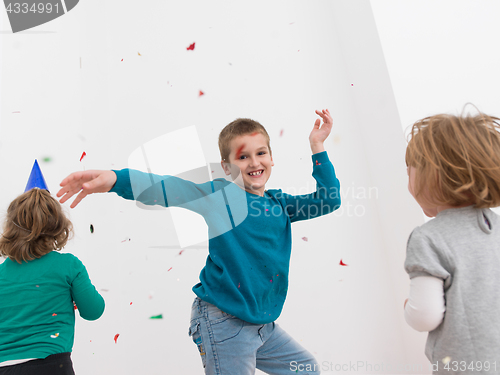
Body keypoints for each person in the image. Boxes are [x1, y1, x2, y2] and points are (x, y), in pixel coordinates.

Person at [57, 109, 341, 374]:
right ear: (227, 168)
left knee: (306, 368)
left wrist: (318, 145)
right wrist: (115, 179)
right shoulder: (221, 197)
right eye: (243, 157)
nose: (254, 162)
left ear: (271, 157)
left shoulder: (280, 204)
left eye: (261, 153)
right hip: (224, 320)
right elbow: (170, 189)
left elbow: (328, 200)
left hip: (262, 325)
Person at [403, 109, 500, 374]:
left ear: (432, 176)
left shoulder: (429, 238)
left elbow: (425, 315)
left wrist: (407, 308)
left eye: (409, 171)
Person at [0, 188, 105, 375]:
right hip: (51, 366)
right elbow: (93, 311)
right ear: (57, 226)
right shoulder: (68, 265)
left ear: (10, 227)